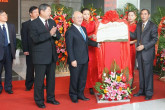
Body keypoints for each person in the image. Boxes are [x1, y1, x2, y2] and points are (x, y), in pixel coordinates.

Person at [30, 4, 61, 108]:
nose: (50, 12)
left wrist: (55, 34)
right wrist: (49, 34)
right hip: (40, 57)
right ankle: (39, 100)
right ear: (41, 11)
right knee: (39, 80)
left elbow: (58, 36)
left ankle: (51, 98)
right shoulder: (33, 23)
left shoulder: (52, 21)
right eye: (48, 10)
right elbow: (35, 39)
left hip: (51, 56)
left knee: (51, 79)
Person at [65, 11, 99, 103]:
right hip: (75, 60)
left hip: (84, 58)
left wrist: (97, 44)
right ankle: (73, 95)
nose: (80, 19)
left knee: (83, 78)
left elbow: (86, 41)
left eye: (81, 17)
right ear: (73, 19)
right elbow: (69, 47)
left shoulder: (83, 29)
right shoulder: (70, 31)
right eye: (78, 17)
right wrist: (72, 59)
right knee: (74, 79)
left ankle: (80, 94)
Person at [130, 9, 158, 100]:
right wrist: (124, 29)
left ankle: (149, 92)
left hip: (148, 53)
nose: (143, 16)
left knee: (148, 74)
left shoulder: (153, 26)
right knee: (141, 73)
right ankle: (141, 90)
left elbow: (154, 40)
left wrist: (144, 46)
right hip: (139, 52)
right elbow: (134, 36)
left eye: (145, 14)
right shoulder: (138, 25)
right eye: (142, 14)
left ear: (149, 15)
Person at [81, 8, 98, 95]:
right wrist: (89, 36)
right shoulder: (80, 23)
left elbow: (97, 31)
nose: (86, 16)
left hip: (93, 47)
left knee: (93, 66)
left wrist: (94, 36)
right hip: (84, 47)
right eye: (85, 14)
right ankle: (86, 85)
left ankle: (93, 85)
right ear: (81, 15)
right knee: (87, 67)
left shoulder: (94, 23)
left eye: (88, 14)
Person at [21, 6, 39, 91]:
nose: (37, 13)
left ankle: (40, 84)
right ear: (30, 14)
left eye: (38, 12)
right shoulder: (25, 24)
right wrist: (25, 49)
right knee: (30, 68)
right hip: (30, 50)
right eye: (35, 12)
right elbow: (24, 38)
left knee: (40, 69)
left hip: (40, 50)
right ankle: (29, 85)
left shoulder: (41, 23)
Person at [0, 10, 16, 94]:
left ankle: (8, 87)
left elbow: (14, 40)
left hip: (9, 50)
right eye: (3, 15)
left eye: (6, 15)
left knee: (9, 71)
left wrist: (13, 51)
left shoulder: (11, 26)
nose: (5, 16)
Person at [127, 11, 137, 86]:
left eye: (132, 15)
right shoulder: (124, 24)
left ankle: (130, 84)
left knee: (131, 65)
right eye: (129, 15)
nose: (130, 17)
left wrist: (132, 42)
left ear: (135, 17)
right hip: (124, 47)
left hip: (131, 47)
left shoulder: (136, 26)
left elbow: (138, 38)